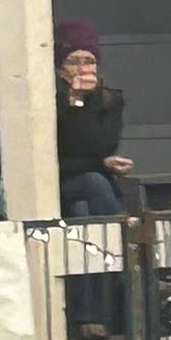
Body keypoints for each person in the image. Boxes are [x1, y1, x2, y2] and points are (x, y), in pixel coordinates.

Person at [56, 19, 133, 219]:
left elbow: (103, 148)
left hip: (95, 184)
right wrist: (75, 101)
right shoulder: (52, 101)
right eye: (74, 62)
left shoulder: (110, 100)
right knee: (93, 182)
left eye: (89, 61)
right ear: (61, 69)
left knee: (82, 208)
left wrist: (84, 102)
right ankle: (125, 235)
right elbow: (64, 156)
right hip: (58, 184)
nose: (83, 68)